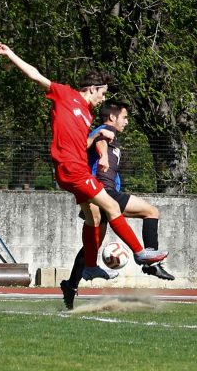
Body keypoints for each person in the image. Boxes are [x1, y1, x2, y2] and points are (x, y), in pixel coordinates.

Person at [0, 42, 168, 281]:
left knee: (94, 218)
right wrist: (11, 53)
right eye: (103, 94)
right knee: (112, 207)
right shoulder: (65, 94)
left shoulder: (87, 114)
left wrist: (96, 136)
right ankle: (140, 253)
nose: (102, 99)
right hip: (72, 169)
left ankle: (90, 267)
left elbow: (86, 142)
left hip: (74, 169)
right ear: (93, 89)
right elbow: (35, 75)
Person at [60, 100, 174, 309]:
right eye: (125, 117)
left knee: (91, 246)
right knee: (151, 212)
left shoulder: (110, 135)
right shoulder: (105, 130)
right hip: (102, 191)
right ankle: (150, 261)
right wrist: (103, 155)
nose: (127, 122)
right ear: (113, 117)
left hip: (106, 191)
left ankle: (71, 284)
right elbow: (100, 140)